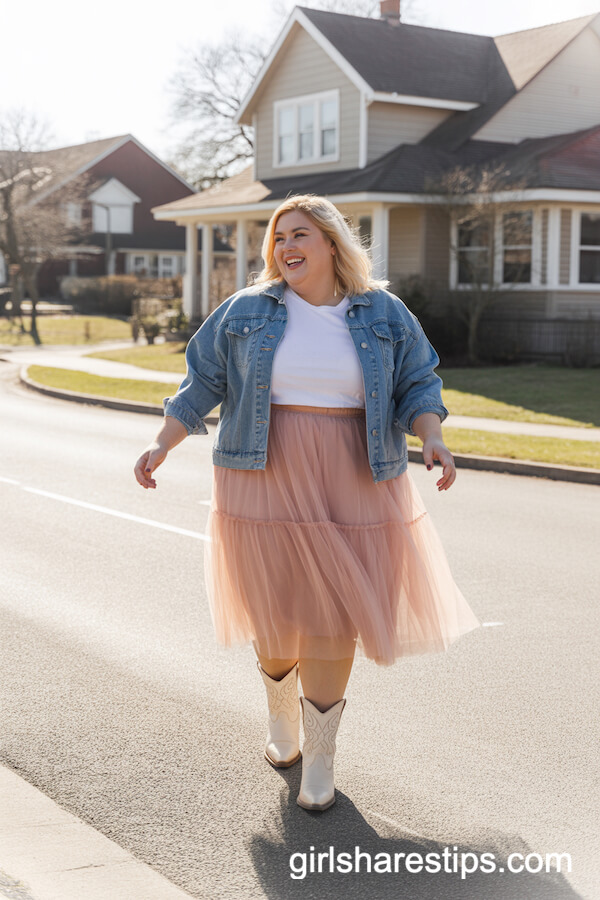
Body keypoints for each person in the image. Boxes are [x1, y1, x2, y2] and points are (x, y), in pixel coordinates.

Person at [134, 194, 480, 812]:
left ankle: (320, 759)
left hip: (356, 472)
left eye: (299, 235)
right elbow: (203, 380)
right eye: (278, 239)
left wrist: (433, 438)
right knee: (274, 612)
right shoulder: (247, 309)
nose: (285, 248)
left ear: (329, 243)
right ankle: (281, 722)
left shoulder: (384, 312)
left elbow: (417, 381)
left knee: (332, 617)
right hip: (260, 470)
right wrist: (161, 444)